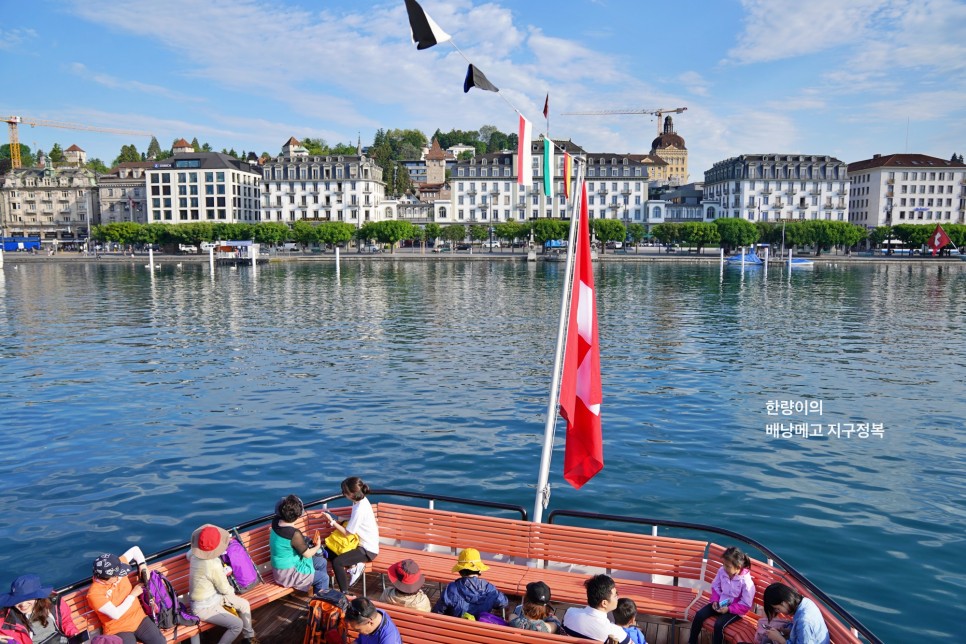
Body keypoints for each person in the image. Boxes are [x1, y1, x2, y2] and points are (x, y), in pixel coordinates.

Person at [187, 524, 257, 644]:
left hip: (212, 597)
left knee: (244, 604)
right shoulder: (213, 564)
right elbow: (225, 589)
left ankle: (249, 638)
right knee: (237, 625)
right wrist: (231, 592)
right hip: (204, 607)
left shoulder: (194, 555)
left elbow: (188, 554)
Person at [86, 548, 165, 644]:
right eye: (117, 575)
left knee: (160, 641)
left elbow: (135, 550)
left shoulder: (115, 565)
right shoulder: (94, 594)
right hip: (118, 629)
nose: (120, 576)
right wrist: (133, 594)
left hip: (139, 618)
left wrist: (142, 565)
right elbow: (116, 614)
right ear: (105, 578)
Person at [322, 477, 379, 593]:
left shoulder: (359, 509)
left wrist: (332, 522)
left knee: (337, 562)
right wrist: (339, 518)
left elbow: (348, 533)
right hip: (360, 544)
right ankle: (354, 566)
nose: (343, 494)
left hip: (367, 550)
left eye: (344, 492)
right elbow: (355, 521)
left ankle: (344, 593)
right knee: (329, 552)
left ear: (351, 494)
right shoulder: (360, 501)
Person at [688, 546, 754, 644]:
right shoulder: (722, 571)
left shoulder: (746, 582)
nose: (724, 568)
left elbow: (746, 605)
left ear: (738, 567)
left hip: (735, 611)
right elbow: (715, 586)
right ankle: (691, 642)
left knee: (718, 625)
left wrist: (729, 609)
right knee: (699, 615)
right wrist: (715, 600)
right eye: (723, 564)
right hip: (721, 603)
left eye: (728, 566)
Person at [269, 494, 329, 595]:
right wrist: (318, 546)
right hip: (287, 573)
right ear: (297, 516)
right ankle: (321, 603)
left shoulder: (276, 522)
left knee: (322, 562)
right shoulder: (294, 534)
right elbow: (307, 554)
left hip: (280, 567)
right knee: (323, 578)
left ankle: (322, 593)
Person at [0, 574, 80, 643]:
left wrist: (75, 635)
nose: (23, 605)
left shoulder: (54, 602)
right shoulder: (6, 618)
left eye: (28, 598)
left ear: (37, 596)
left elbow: (66, 622)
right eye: (17, 600)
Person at [431, 548, 507, 619]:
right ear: (479, 570)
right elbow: (503, 602)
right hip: (480, 630)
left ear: (460, 571)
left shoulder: (451, 589)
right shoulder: (490, 589)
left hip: (454, 630)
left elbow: (437, 612)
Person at [561, 574, 629, 643]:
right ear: (604, 603)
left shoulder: (570, 613)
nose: (618, 598)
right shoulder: (616, 633)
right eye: (615, 595)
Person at [762, 583, 829, 644]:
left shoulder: (804, 621)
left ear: (784, 603)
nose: (778, 612)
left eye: (778, 608)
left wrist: (780, 639)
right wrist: (789, 631)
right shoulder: (806, 602)